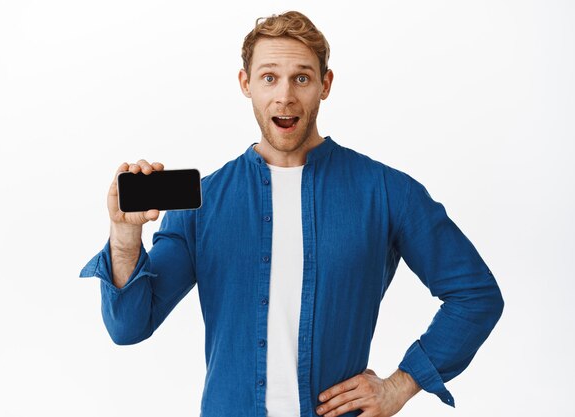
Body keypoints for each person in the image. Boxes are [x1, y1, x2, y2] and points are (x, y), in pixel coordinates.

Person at [80, 10, 504, 417]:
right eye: (269, 78)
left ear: (325, 84)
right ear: (246, 84)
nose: (285, 95)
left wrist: (400, 385)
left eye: (301, 77)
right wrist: (124, 237)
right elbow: (129, 327)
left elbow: (475, 295)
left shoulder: (387, 192)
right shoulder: (202, 204)